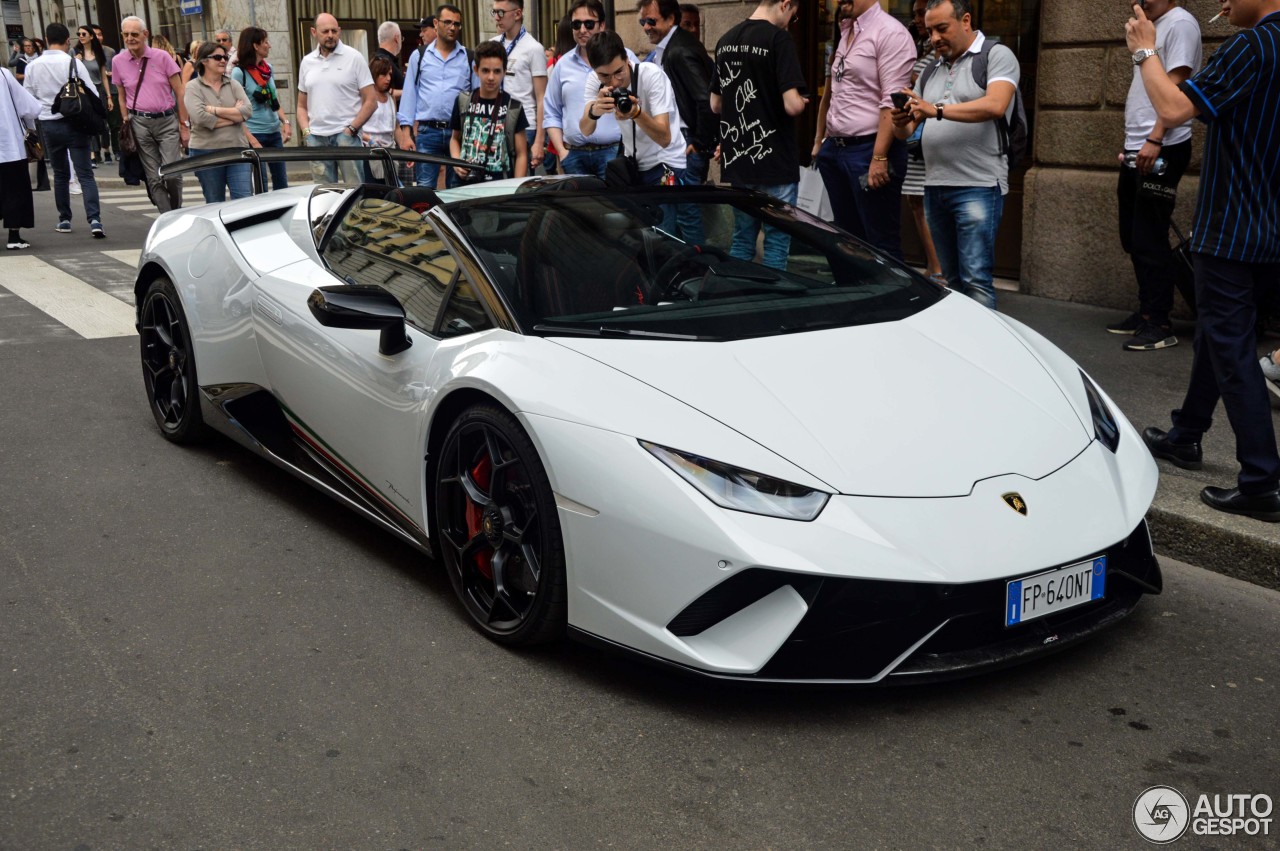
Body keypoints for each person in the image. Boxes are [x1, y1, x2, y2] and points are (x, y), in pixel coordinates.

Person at [1127, 0, 1280, 522]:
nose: (1222, 4)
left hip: (1234, 226)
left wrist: (1145, 49)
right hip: (1271, 226)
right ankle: (1186, 434)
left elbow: (1172, 109)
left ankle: (1261, 480)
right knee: (1221, 333)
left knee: (1234, 349)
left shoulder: (1253, 44)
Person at [890, 0, 1020, 310]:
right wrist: (900, 124)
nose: (934, 38)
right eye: (931, 30)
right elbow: (909, 132)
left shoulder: (996, 55)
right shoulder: (933, 68)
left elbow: (995, 105)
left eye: (941, 28)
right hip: (935, 185)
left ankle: (988, 352)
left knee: (975, 279)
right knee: (950, 279)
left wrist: (934, 110)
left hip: (978, 183)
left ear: (965, 21)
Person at [1107, 0, 1202, 351]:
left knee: (1150, 236)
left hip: (1161, 146)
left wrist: (1155, 138)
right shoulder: (1150, 25)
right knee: (1132, 236)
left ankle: (1159, 322)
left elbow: (1177, 88)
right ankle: (1147, 310)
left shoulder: (1180, 23)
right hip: (1138, 146)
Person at [812, 0, 914, 260]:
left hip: (870, 150)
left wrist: (879, 157)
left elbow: (891, 101)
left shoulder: (890, 33)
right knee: (847, 241)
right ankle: (856, 297)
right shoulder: (845, 30)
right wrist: (821, 142)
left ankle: (891, 301)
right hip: (836, 150)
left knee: (881, 243)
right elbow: (835, 93)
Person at [711, 0, 808, 270]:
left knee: (742, 240)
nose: (790, 22)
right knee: (777, 241)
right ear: (785, 4)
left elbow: (715, 105)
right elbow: (792, 105)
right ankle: (773, 306)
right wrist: (801, 100)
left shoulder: (725, 40)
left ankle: (737, 298)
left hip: (740, 159)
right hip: (775, 159)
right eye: (793, 16)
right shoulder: (779, 40)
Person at [637, 0, 716, 243]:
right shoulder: (670, 48)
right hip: (678, 142)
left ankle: (696, 268)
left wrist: (700, 143)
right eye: (643, 21)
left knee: (686, 213)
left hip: (685, 142)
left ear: (671, 19)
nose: (646, 27)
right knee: (674, 211)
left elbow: (705, 100)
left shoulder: (679, 50)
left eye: (652, 21)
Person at [582, 29, 687, 203]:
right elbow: (585, 130)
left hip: (666, 162)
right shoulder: (594, 81)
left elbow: (665, 138)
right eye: (605, 76)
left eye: (619, 72)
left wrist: (636, 113)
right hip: (634, 166)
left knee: (663, 226)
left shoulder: (651, 75)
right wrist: (595, 111)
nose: (614, 82)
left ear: (626, 59)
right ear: (594, 70)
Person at [22, 23, 106, 237]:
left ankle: (65, 220)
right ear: (68, 40)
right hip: (76, 123)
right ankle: (95, 220)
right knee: (85, 173)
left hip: (49, 124)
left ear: (46, 39)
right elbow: (93, 91)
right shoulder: (72, 63)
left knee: (60, 174)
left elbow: (28, 99)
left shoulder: (33, 66)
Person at [544, 0, 630, 180]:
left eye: (589, 23)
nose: (582, 30)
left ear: (602, 25)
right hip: (574, 155)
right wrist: (562, 152)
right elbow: (551, 111)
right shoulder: (562, 64)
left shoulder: (624, 59)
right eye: (576, 24)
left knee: (614, 207)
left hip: (613, 153)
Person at [112, 15, 189, 212]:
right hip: (139, 123)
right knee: (153, 177)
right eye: (126, 34)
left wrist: (184, 124)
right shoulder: (118, 61)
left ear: (145, 34)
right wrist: (126, 120)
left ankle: (176, 211)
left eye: (135, 34)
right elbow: (121, 96)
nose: (130, 38)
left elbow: (180, 92)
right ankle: (167, 218)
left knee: (172, 173)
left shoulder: (162, 57)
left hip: (167, 121)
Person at [298, 13, 377, 184]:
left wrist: (351, 129)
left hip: (346, 137)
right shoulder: (307, 62)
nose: (330, 35)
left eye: (334, 30)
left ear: (340, 31)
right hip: (316, 138)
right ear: (313, 32)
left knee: (354, 192)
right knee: (324, 196)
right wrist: (307, 133)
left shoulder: (354, 57)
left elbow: (371, 100)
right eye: (325, 31)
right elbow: (301, 106)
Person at [397, 5, 471, 189]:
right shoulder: (419, 56)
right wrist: (406, 135)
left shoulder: (469, 57)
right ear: (436, 24)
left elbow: (477, 97)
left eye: (457, 24)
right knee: (424, 188)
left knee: (458, 189)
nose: (452, 27)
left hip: (459, 133)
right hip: (428, 132)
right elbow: (409, 96)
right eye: (448, 22)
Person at [901, 0, 943, 282]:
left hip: (927, 136)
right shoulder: (917, 45)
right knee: (915, 201)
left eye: (921, 13)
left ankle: (938, 270)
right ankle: (933, 265)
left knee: (923, 202)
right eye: (915, 14)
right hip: (914, 134)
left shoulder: (937, 53)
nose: (917, 19)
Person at [449, 40, 528, 183]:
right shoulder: (463, 101)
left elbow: (522, 154)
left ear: (504, 72)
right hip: (464, 183)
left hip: (500, 184)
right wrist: (456, 161)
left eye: (497, 71)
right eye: (485, 70)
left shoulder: (513, 107)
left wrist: (516, 190)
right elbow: (455, 138)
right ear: (476, 70)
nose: (491, 77)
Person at [184, 41, 252, 203]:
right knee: (215, 202)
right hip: (206, 152)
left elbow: (247, 111)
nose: (223, 60)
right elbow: (200, 118)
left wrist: (214, 110)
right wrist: (234, 116)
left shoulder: (233, 84)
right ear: (204, 61)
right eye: (217, 57)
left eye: (225, 57)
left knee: (244, 200)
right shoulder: (193, 87)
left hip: (237, 149)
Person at [490, 0, 547, 171]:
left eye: (501, 12)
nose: (496, 18)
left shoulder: (533, 48)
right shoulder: (493, 44)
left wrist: (539, 140)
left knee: (521, 184)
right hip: (495, 123)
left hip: (524, 125)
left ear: (517, 14)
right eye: (494, 12)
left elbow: (542, 98)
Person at [231, 27, 291, 191]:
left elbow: (274, 99)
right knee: (260, 183)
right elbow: (235, 110)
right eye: (266, 42)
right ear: (255, 46)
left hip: (273, 133)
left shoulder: (268, 69)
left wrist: (285, 122)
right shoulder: (239, 73)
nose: (269, 45)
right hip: (254, 134)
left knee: (281, 182)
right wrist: (250, 138)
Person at [1, 63, 40, 249]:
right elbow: (29, 108)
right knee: (14, 191)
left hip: (9, 147)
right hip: (9, 147)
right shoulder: (3, 75)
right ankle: (14, 237)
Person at [74, 25, 114, 165]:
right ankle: (93, 154)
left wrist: (109, 96)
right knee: (88, 122)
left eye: (84, 33)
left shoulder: (99, 54)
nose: (81, 36)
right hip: (84, 92)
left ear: (91, 36)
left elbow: (104, 77)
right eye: (79, 34)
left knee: (103, 123)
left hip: (99, 91)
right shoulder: (77, 55)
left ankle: (106, 149)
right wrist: (76, 60)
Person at [373, 21, 405, 100]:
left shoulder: (379, 59)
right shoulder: (382, 61)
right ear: (396, 38)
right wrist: (408, 92)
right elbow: (378, 89)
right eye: (401, 38)